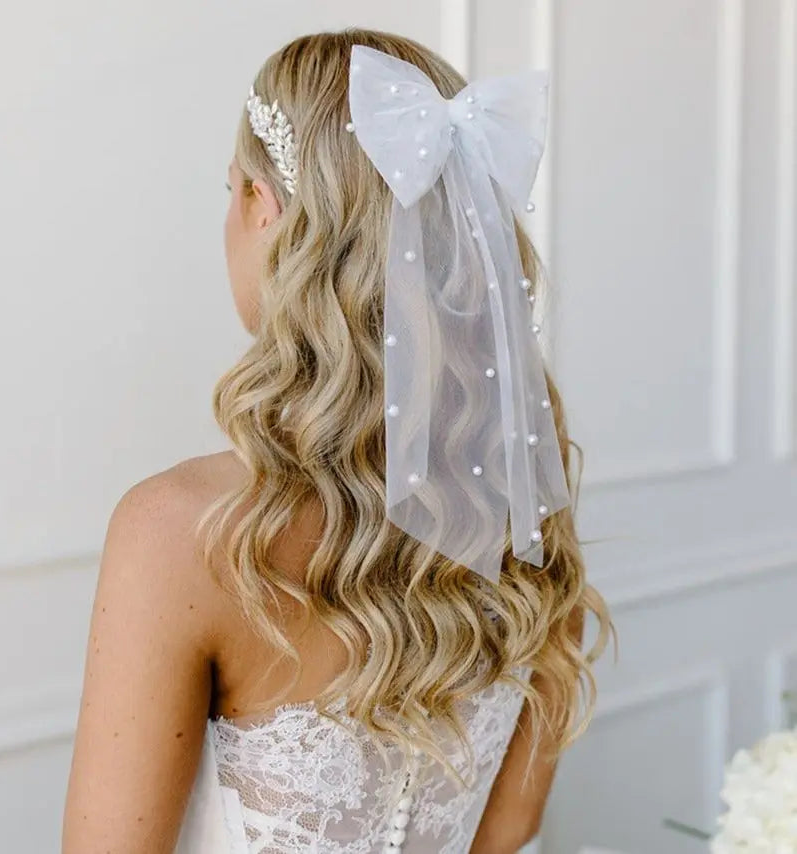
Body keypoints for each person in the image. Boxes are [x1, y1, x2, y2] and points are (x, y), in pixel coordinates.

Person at [62, 27, 611, 854]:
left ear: (262, 207)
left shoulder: (180, 531)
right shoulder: (527, 505)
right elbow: (505, 834)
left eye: (229, 190)